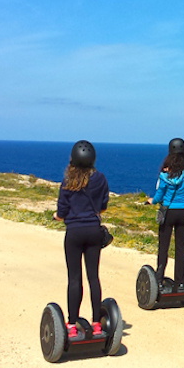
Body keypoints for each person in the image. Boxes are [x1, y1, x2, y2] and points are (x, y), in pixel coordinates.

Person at [53, 140, 109, 338]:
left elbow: (62, 211)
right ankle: (96, 324)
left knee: (74, 279)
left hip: (74, 233)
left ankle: (71, 325)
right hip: (93, 231)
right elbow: (103, 205)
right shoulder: (100, 178)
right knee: (93, 277)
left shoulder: (68, 182)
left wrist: (57, 217)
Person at [146, 138, 184, 290]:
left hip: (165, 210)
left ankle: (159, 280)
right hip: (182, 210)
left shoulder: (164, 175)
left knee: (163, 246)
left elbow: (159, 195)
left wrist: (151, 201)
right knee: (180, 247)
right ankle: (179, 282)